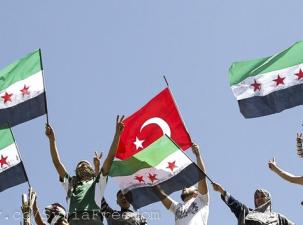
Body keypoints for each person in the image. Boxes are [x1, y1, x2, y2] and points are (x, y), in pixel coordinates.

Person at [45, 115, 125, 225]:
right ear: (76, 172)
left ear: (92, 170)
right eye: (80, 165)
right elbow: (57, 164)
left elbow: (109, 160)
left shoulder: (96, 183)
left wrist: (117, 135)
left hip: (93, 219)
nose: (82, 166)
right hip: (73, 220)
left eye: (86, 164)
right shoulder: (72, 184)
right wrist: (52, 140)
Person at [153, 143, 209, 225]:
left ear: (196, 192)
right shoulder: (177, 208)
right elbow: (159, 193)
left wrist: (197, 155)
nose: (184, 187)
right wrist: (150, 176)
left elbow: (201, 176)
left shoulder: (202, 200)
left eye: (189, 186)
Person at [212, 182, 294, 225]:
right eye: (257, 197)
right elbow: (235, 204)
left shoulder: (278, 218)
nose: (259, 199)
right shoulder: (247, 213)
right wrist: (222, 191)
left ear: (268, 200)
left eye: (262, 196)